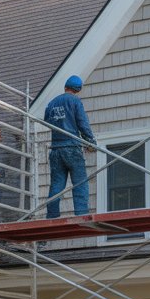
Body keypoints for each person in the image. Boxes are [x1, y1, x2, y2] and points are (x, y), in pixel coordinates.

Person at [44, 74, 97, 219]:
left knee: (56, 186)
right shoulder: (75, 101)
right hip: (72, 148)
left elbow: (47, 121)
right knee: (80, 183)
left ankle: (52, 216)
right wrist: (90, 142)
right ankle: (81, 214)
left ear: (66, 87)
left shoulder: (52, 103)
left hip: (56, 150)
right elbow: (82, 123)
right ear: (78, 89)